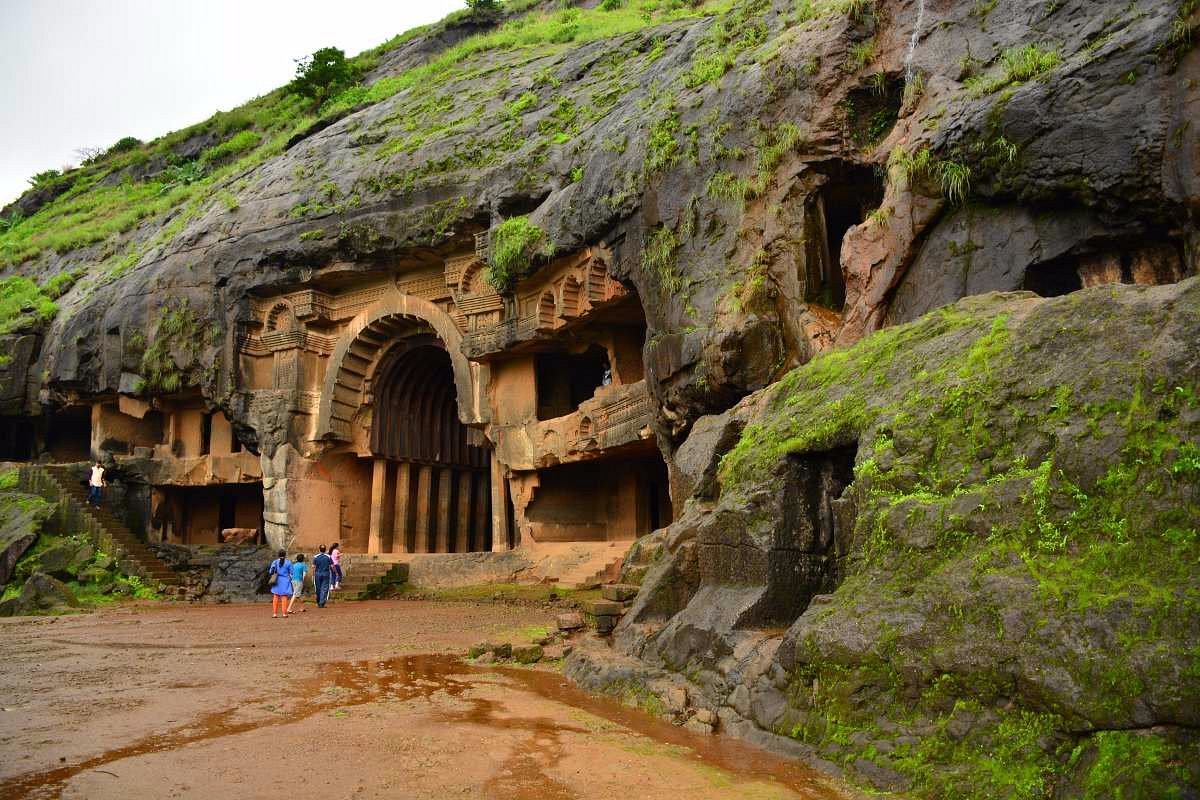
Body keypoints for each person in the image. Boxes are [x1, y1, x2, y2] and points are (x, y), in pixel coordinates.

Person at [267, 550, 292, 618]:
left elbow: (270, 572)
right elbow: (292, 572)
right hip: (285, 581)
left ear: (278, 555)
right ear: (285, 555)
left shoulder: (275, 562)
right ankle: (284, 614)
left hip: (276, 580)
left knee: (276, 596)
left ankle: (274, 614)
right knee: (284, 597)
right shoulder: (288, 562)